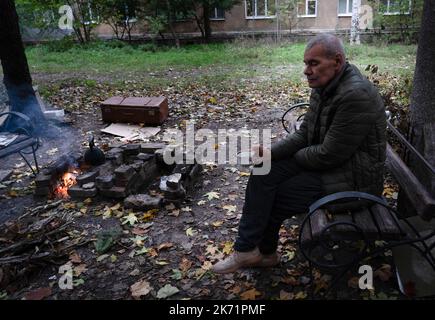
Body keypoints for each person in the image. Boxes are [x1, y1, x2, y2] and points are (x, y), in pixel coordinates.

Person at [211, 34, 387, 274]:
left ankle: (264, 252)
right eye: (306, 63)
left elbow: (328, 155)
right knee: (264, 170)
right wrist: (270, 153)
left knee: (278, 196)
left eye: (313, 63)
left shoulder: (355, 95)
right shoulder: (325, 85)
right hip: (335, 166)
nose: (306, 70)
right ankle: (248, 251)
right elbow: (305, 134)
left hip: (355, 179)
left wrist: (290, 159)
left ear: (337, 61)